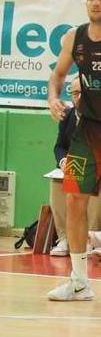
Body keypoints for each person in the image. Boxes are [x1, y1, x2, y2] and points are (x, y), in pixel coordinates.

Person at [46, 0, 101, 301]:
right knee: (73, 198)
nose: (96, 2)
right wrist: (53, 97)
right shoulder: (74, 38)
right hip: (88, 129)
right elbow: (57, 76)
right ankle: (79, 281)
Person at [50, 78, 101, 256]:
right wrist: (63, 161)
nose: (78, 97)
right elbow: (59, 146)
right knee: (57, 181)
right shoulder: (68, 116)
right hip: (76, 163)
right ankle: (64, 238)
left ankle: (90, 237)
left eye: (82, 93)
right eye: (74, 93)